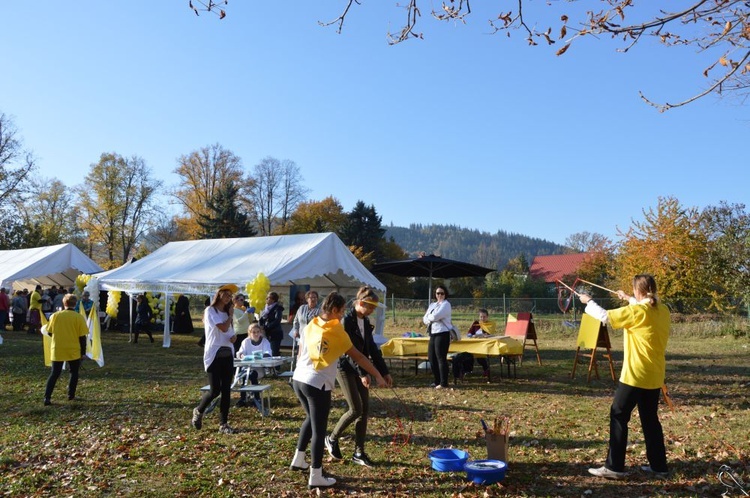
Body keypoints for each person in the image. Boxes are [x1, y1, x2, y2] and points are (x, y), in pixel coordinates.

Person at [290, 292, 387, 489]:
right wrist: (377, 374)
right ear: (334, 310)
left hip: (299, 378)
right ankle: (316, 474)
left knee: (309, 419)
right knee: (319, 430)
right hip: (316, 383)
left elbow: (301, 350)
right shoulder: (337, 332)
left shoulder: (312, 323)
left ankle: (299, 459)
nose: (343, 314)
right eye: (342, 311)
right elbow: (359, 357)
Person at [579, 274, 671, 480]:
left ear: (639, 292)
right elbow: (643, 309)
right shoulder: (662, 310)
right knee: (650, 420)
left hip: (635, 375)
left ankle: (614, 466)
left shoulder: (637, 311)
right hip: (654, 375)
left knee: (618, 415)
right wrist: (628, 297)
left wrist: (588, 302)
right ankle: (659, 466)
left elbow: (605, 317)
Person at [326, 286, 393, 467]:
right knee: (355, 408)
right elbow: (351, 353)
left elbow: (372, 349)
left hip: (360, 366)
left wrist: (384, 372)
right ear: (361, 303)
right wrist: (364, 373)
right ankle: (331, 438)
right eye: (370, 307)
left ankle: (359, 452)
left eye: (374, 308)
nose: (372, 310)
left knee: (364, 411)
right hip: (345, 368)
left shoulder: (365, 322)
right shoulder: (347, 321)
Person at [191, 284, 238, 434]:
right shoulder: (210, 311)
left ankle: (223, 424)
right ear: (219, 294)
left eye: (230, 296)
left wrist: (234, 337)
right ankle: (198, 411)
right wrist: (230, 316)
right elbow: (222, 328)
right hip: (214, 354)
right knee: (215, 390)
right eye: (226, 294)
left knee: (226, 390)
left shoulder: (227, 313)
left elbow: (229, 331)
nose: (228, 298)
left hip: (228, 353)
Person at [42, 294, 89, 405]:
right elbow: (82, 337)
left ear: (64, 303)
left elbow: (49, 331)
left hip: (57, 348)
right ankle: (71, 395)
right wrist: (83, 352)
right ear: (75, 303)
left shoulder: (55, 316)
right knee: (73, 372)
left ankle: (47, 397)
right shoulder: (78, 317)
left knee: (54, 373)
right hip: (73, 349)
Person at [235, 322, 272, 412]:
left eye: (258, 332)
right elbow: (239, 353)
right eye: (253, 332)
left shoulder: (265, 341)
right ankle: (243, 398)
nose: (256, 334)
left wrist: (262, 356)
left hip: (260, 368)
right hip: (247, 367)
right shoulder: (245, 341)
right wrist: (241, 355)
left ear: (260, 332)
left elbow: (268, 353)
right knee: (244, 375)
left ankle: (256, 397)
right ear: (249, 333)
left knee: (252, 375)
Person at [423, 285, 453, 389]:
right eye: (437, 293)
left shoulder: (446, 304)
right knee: (432, 358)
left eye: (442, 293)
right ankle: (437, 381)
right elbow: (425, 319)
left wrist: (431, 318)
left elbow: (435, 316)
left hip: (443, 333)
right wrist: (431, 318)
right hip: (433, 333)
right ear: (435, 294)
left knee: (441, 357)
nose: (439, 295)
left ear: (445, 294)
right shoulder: (432, 305)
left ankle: (443, 382)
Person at [465, 308, 497, 378]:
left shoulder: (491, 324)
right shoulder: (476, 323)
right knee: (467, 354)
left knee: (480, 357)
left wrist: (485, 336)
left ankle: (486, 369)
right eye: (481, 317)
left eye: (484, 317)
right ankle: (468, 370)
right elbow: (469, 334)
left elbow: (490, 334)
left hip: (484, 344)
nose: (482, 318)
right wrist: (473, 335)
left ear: (487, 316)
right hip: (474, 343)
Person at [259, 291, 284, 357]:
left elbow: (277, 320)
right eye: (266, 298)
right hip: (266, 333)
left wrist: (266, 327)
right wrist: (260, 326)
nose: (266, 299)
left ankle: (276, 367)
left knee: (274, 352)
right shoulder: (265, 309)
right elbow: (261, 319)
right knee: (266, 351)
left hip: (275, 333)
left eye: (268, 298)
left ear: (273, 300)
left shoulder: (278, 308)